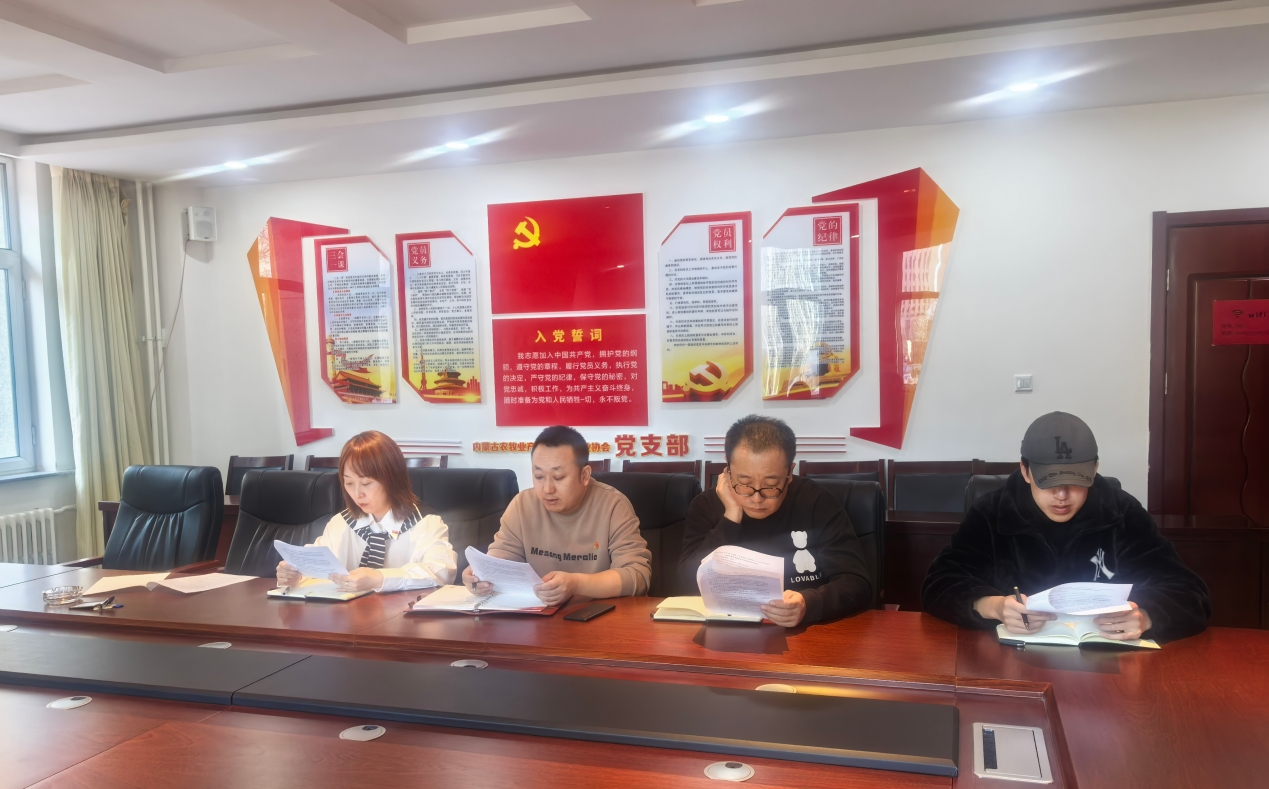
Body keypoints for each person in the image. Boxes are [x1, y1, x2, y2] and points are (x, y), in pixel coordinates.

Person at [922, 412, 1210, 642]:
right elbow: (939, 584)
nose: (1062, 495)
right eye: (1049, 482)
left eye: (1075, 482)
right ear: (1025, 471)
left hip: (1106, 668)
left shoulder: (1121, 512)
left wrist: (1147, 615)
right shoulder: (992, 513)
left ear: (1094, 469)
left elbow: (1189, 593)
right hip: (1012, 665)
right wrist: (992, 606)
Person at [678, 415, 874, 627]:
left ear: (789, 473)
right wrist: (731, 517)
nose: (757, 498)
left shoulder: (816, 503)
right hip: (726, 630)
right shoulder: (706, 506)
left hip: (806, 634)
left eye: (770, 485)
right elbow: (686, 582)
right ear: (728, 468)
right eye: (744, 483)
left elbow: (856, 584)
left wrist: (808, 603)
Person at [463, 425, 652, 606]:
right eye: (539, 477)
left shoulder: (613, 506)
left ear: (585, 475)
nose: (547, 489)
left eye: (559, 477)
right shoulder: (522, 505)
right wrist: (480, 576)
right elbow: (499, 562)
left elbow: (637, 576)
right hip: (538, 617)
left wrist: (576, 584)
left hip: (599, 615)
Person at [276, 431, 456, 593]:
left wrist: (380, 578)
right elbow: (316, 563)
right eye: (348, 483)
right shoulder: (341, 522)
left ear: (392, 480)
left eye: (366, 483)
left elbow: (442, 571)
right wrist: (296, 574)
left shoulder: (425, 522)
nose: (357, 494)